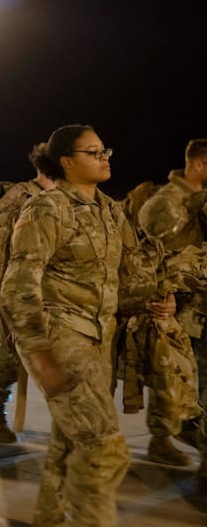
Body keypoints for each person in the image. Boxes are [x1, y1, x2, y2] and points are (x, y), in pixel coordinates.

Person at [1, 125, 131, 526]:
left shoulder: (110, 209)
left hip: (98, 340)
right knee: (102, 447)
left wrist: (164, 294)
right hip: (61, 339)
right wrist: (38, 352)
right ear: (67, 162)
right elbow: (18, 286)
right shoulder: (47, 209)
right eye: (93, 152)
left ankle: (50, 518)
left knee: (67, 443)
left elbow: (128, 274)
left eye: (105, 149)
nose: (104, 156)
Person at [0, 144, 56, 443]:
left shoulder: (71, 197)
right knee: (10, 358)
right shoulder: (19, 197)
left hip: (59, 298)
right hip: (18, 294)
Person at [138, 137, 207, 478]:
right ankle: (163, 437)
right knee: (172, 376)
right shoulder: (166, 202)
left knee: (185, 380)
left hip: (199, 302)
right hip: (179, 308)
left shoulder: (199, 200)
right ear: (198, 165)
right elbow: (149, 255)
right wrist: (161, 293)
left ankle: (174, 432)